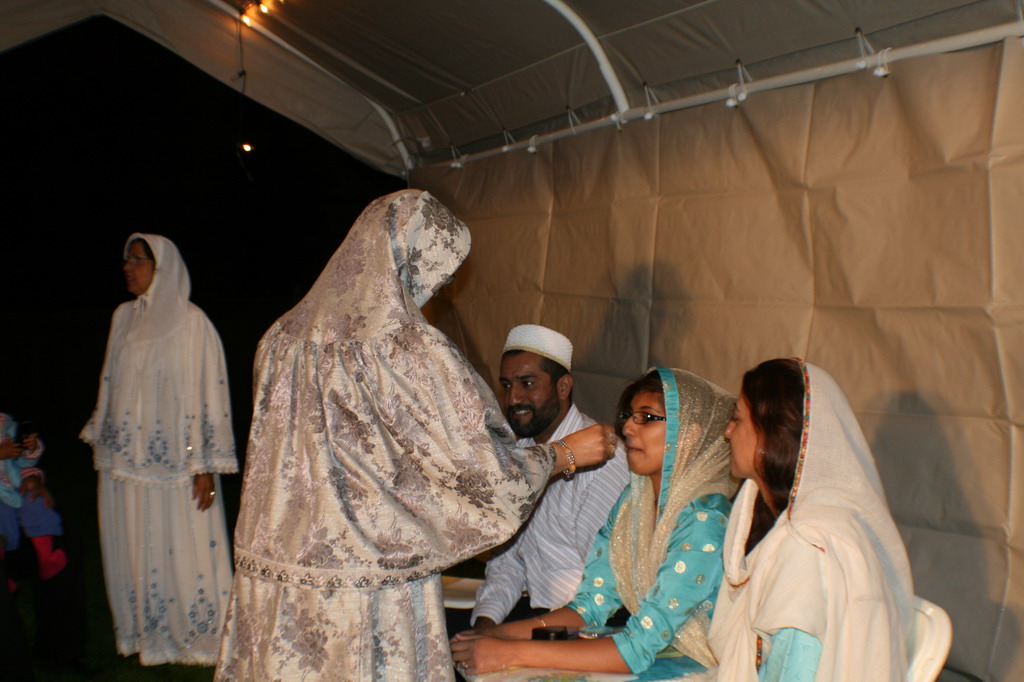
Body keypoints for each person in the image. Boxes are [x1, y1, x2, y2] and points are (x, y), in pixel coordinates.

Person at [215, 189, 615, 681]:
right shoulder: (406, 346)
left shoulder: (279, 339)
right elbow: (479, 473)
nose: (437, 288)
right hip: (369, 578)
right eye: (440, 274)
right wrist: (561, 456)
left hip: (276, 570)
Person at [451, 367, 736, 679]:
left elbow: (638, 647)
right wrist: (497, 635)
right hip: (651, 656)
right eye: (628, 416)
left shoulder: (704, 520)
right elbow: (590, 607)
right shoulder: (634, 503)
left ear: (689, 434)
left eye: (646, 417)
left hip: (706, 668)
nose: (628, 427)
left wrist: (508, 652)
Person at [81, 234, 238, 665]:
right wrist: (109, 440)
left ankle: (198, 637)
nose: (127, 267)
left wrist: (202, 463)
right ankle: (147, 633)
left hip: (178, 461)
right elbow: (111, 382)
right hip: (127, 461)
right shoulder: (123, 317)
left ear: (162, 266)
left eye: (137, 260)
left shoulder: (191, 322)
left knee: (186, 545)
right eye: (126, 259)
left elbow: (207, 390)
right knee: (138, 544)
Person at [707, 358, 913, 681]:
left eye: (737, 419)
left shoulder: (806, 545)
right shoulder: (798, 527)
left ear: (771, 435)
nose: (728, 432)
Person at [469, 324, 630, 630]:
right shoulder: (521, 452)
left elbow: (604, 592)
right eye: (506, 385)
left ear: (563, 387)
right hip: (537, 619)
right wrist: (485, 625)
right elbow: (507, 562)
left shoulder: (603, 461)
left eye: (527, 383)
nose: (513, 398)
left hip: (592, 626)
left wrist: (510, 640)